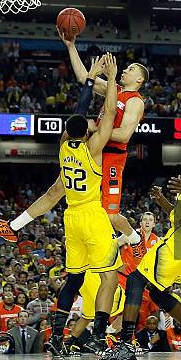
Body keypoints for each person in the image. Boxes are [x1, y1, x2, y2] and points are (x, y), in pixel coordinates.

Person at [5, 55, 123, 360]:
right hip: (92, 215)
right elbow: (109, 112)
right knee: (110, 276)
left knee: (74, 279)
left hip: (70, 217)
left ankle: (57, 338)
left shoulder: (63, 146)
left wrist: (89, 79)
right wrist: (110, 78)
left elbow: (77, 114)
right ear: (87, 133)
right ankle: (98, 338)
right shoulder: (94, 149)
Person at [96, 136, 181, 360]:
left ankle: (125, 346)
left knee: (134, 280)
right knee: (156, 292)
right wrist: (162, 200)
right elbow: (178, 213)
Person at [57, 30, 146, 250]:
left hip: (112, 158)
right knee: (88, 205)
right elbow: (83, 77)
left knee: (110, 213)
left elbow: (124, 135)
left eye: (130, 69)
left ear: (139, 79)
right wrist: (70, 46)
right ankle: (126, 241)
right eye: (125, 68)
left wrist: (97, 129)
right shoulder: (113, 90)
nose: (125, 70)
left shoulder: (135, 101)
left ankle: (135, 239)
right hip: (95, 152)